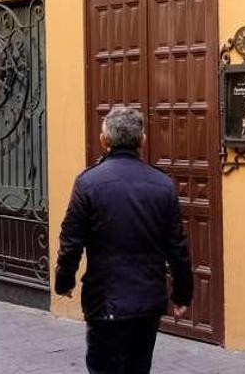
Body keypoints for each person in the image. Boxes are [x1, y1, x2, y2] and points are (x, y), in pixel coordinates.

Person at [55, 106, 193, 374]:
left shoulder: (88, 183)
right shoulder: (162, 184)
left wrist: (64, 280)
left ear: (103, 141)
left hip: (104, 301)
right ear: (142, 140)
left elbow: (71, 240)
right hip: (147, 301)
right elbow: (177, 248)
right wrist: (182, 294)